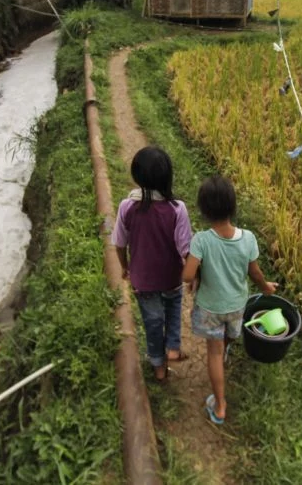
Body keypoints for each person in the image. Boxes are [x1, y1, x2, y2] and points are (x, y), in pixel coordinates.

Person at [183, 175, 277, 424]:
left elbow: (187, 275)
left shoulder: (201, 240)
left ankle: (221, 406)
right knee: (230, 334)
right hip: (237, 305)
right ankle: (226, 347)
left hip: (211, 308)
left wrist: (198, 270)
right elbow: (254, 272)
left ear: (203, 209)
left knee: (213, 354)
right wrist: (265, 287)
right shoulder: (248, 239)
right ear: (233, 206)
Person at [111, 146, 192, 382]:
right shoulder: (177, 209)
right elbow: (186, 249)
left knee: (153, 321)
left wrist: (125, 267)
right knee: (173, 309)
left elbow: (119, 243)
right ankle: (174, 347)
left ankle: (158, 366)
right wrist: (193, 277)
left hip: (143, 280)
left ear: (137, 176)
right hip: (171, 277)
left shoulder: (127, 207)